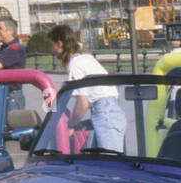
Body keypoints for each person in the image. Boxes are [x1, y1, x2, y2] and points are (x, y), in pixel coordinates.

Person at [47, 23, 125, 152]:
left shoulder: (75, 64)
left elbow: (82, 103)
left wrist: (71, 125)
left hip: (104, 112)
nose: (52, 50)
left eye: (52, 45)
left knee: (110, 161)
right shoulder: (86, 58)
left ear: (60, 43)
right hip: (112, 110)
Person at [0, 16, 26, 111]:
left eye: (0, 28)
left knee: (13, 124)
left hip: (12, 96)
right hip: (1, 94)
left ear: (10, 31)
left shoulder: (15, 49)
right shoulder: (1, 49)